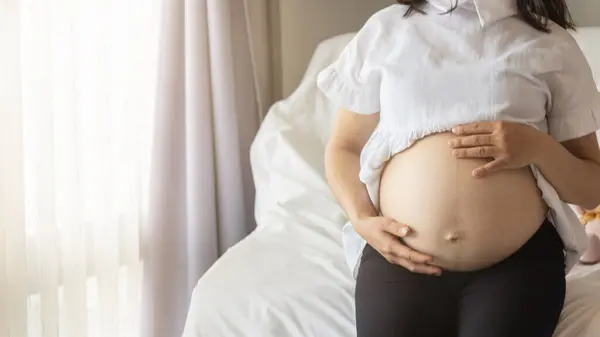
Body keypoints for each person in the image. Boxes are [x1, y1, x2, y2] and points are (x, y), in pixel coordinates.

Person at [317, 1, 600, 336]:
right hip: (401, 257)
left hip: (517, 263)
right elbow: (343, 149)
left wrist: (539, 148)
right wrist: (362, 218)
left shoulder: (550, 42)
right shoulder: (386, 30)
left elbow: (591, 186)